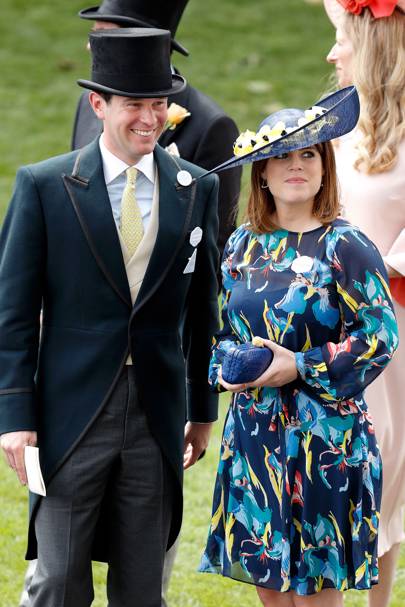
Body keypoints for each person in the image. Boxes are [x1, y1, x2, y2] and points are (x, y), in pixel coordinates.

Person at [0, 28, 219, 607]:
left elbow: (204, 307)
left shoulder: (197, 188)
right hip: (71, 412)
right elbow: (13, 315)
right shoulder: (44, 187)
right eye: (134, 105)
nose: (149, 119)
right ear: (99, 105)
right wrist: (15, 417)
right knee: (58, 576)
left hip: (157, 412)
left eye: (158, 105)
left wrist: (200, 409)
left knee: (144, 585)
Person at [197, 86, 399, 606]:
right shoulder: (242, 244)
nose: (295, 166)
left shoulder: (346, 245)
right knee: (271, 590)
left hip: (323, 443)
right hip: (254, 437)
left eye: (308, 154)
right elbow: (221, 332)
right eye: (282, 156)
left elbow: (379, 336)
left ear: (324, 167)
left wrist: (300, 366)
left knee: (313, 595)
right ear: (261, 172)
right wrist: (228, 367)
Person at [324, 2, 405, 606]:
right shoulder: (339, 127)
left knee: (383, 462)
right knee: (328, 468)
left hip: (389, 326)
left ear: (373, 50)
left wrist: (369, 287)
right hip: (322, 327)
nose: (332, 54)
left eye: (341, 40)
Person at [73, 0, 241, 263]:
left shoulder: (213, 127)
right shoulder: (88, 102)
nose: (88, 45)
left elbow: (215, 247)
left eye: (102, 33)